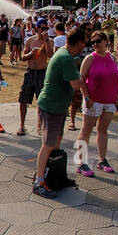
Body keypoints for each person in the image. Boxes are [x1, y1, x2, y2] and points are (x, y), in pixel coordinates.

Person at [30, 29, 83, 197]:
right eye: (85, 42)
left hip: (56, 106)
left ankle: (56, 176)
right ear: (80, 43)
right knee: (48, 144)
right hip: (52, 107)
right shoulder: (66, 58)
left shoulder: (64, 52)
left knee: (55, 143)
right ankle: (39, 182)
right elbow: (75, 85)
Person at [79, 33, 118, 175]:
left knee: (103, 130)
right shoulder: (90, 58)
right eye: (93, 42)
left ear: (106, 41)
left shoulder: (112, 57)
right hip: (93, 101)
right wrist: (86, 97)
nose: (95, 44)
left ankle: (102, 159)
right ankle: (81, 162)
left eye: (98, 41)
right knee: (86, 130)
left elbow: (116, 78)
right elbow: (81, 79)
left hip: (109, 101)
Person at [15, 23, 52, 136]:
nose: (44, 31)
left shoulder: (50, 41)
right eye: (42, 28)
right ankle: (22, 125)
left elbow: (50, 55)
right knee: (23, 99)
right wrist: (31, 53)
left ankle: (40, 125)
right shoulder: (30, 40)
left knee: (42, 101)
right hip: (30, 72)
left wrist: (46, 41)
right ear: (37, 28)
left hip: (42, 73)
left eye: (46, 28)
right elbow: (22, 57)